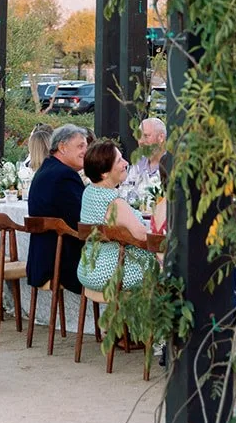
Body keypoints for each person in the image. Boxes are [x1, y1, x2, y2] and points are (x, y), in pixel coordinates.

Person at [78, 139, 153, 291]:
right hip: (112, 273)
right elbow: (143, 237)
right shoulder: (114, 202)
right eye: (119, 160)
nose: (125, 162)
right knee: (175, 270)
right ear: (104, 173)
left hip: (87, 269)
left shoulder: (88, 192)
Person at [26, 124, 88, 295]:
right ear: (62, 147)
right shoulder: (64, 176)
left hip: (43, 259)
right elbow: (83, 220)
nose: (85, 151)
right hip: (60, 262)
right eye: (80, 146)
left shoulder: (47, 170)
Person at [120, 116, 166, 205]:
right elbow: (124, 191)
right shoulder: (138, 162)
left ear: (161, 137)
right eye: (139, 136)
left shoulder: (170, 165)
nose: (141, 141)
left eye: (146, 136)